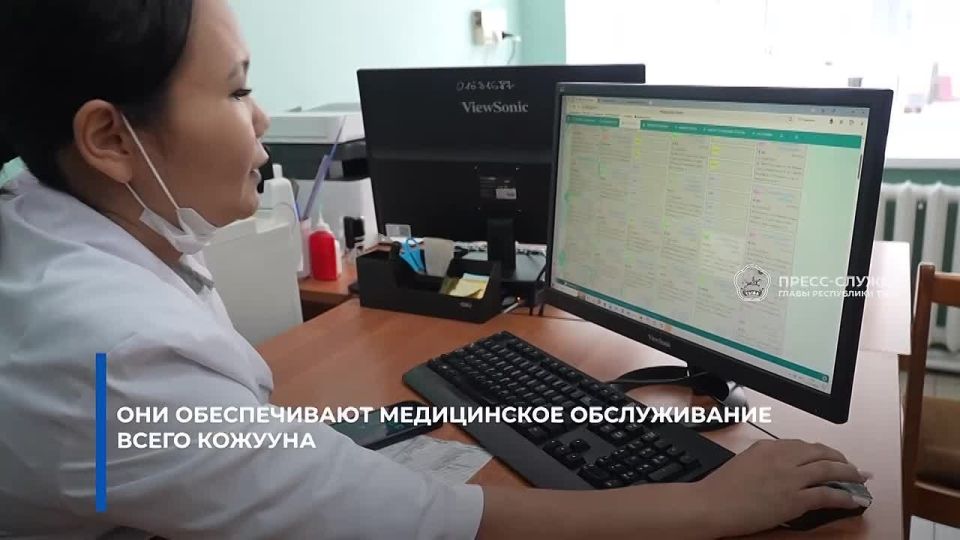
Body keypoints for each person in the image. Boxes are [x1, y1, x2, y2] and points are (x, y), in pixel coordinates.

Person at [0, 1, 870, 538]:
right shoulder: (111, 354)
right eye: (235, 90)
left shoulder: (54, 229)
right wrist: (709, 506)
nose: (261, 116)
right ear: (108, 138)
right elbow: (418, 519)